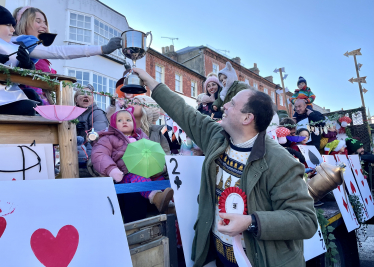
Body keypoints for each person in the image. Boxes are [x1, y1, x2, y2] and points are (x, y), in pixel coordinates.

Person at [133, 68, 317, 267]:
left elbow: (305, 220)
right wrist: (150, 81)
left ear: (247, 118)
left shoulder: (281, 162)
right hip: (219, 254)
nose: (225, 105)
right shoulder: (217, 137)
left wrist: (251, 222)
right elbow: (185, 113)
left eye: (233, 103)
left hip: (258, 260)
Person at [12, 6, 122, 105]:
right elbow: (61, 51)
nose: (44, 26)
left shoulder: (34, 50)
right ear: (23, 22)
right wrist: (102, 49)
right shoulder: (22, 40)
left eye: (45, 22)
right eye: (38, 21)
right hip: (22, 100)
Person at [91, 108, 174, 213]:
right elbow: (99, 154)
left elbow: (151, 150)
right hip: (124, 174)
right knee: (138, 177)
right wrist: (111, 169)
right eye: (119, 120)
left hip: (144, 169)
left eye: (128, 120)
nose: (124, 122)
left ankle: (170, 203)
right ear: (113, 124)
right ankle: (156, 197)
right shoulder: (108, 138)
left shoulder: (141, 136)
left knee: (160, 178)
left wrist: (157, 165)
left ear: (133, 123)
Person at [0, 5, 43, 116]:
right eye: (8, 25)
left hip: (5, 92)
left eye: (13, 25)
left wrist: (26, 63)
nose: (13, 30)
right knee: (28, 106)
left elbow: (24, 75)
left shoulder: (13, 46)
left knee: (32, 96)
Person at [74, 84, 108, 158]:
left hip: (91, 156)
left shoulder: (97, 113)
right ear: (76, 99)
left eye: (89, 94)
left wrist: (88, 158)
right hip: (73, 155)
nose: (86, 95)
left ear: (92, 99)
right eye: (82, 93)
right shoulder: (72, 114)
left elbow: (99, 135)